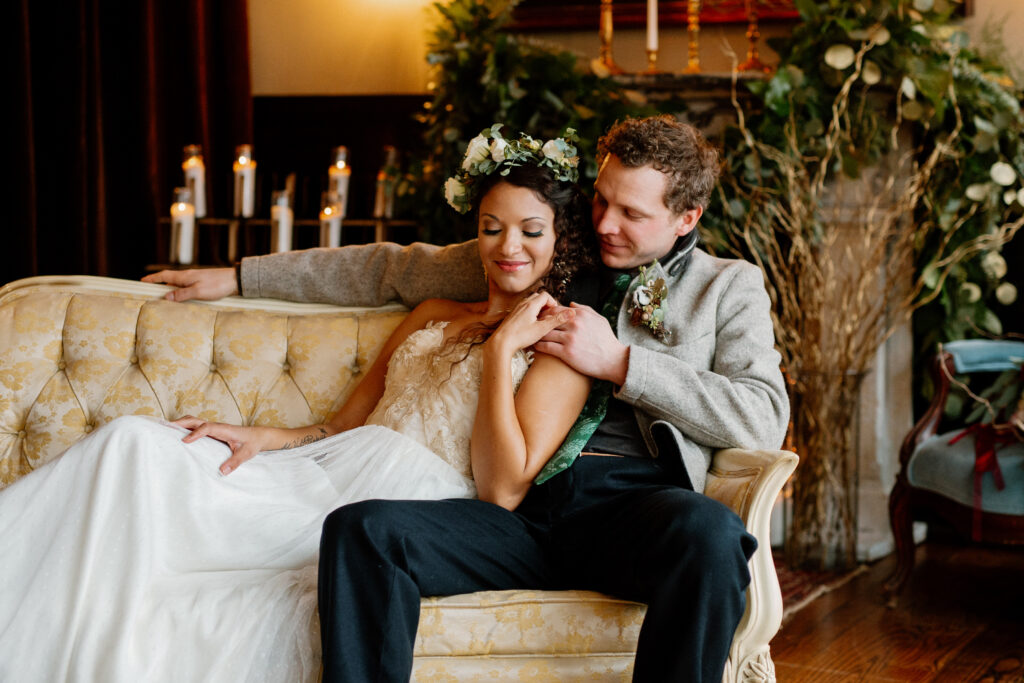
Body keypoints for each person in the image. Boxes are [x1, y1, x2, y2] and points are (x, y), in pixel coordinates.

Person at [146, 115, 791, 682]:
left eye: (632, 214)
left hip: (634, 508)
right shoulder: (552, 250)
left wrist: (623, 364)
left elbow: (763, 415)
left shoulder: (727, 288)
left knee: (711, 535)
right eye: (601, 200)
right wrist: (238, 275)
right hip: (513, 509)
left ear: (687, 218)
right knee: (363, 530)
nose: (604, 224)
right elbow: (389, 268)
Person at [0, 130, 598, 683]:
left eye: (531, 230)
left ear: (561, 238)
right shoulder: (433, 312)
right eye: (492, 227)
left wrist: (499, 354)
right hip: (324, 471)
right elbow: (339, 425)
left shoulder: (560, 346)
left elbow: (501, 492)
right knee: (130, 441)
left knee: (206, 594)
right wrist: (258, 436)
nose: (507, 247)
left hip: (399, 507)